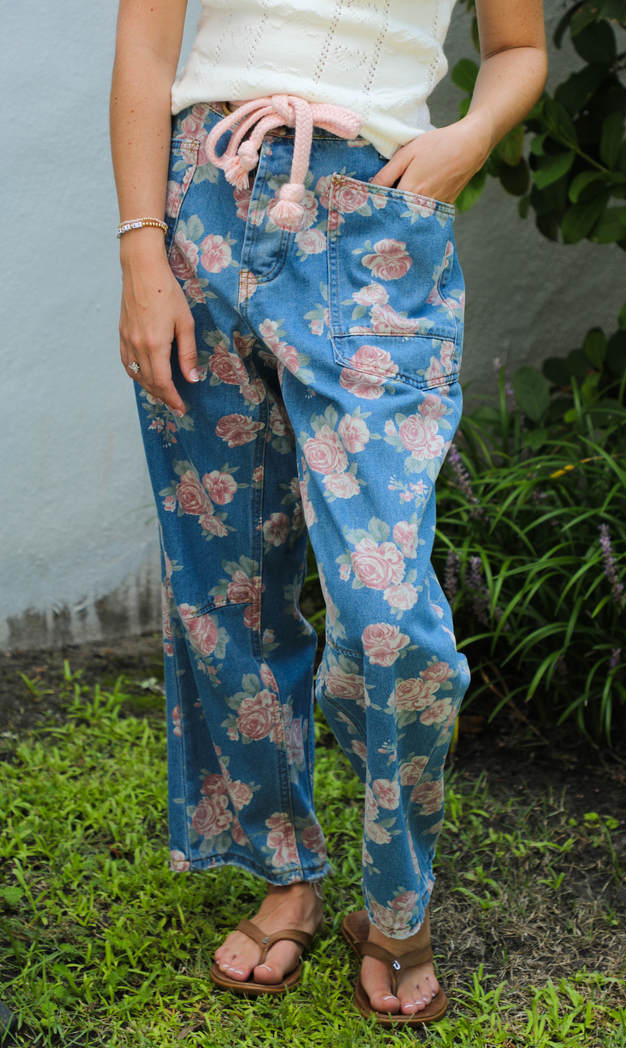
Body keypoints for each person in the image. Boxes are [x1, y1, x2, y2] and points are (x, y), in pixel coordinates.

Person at [110, 0, 546, 1025]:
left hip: (374, 217)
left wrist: (472, 136)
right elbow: (144, 45)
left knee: (390, 612)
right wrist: (141, 252)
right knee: (229, 581)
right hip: (202, 205)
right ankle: (286, 873)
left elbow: (519, 49)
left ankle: (397, 904)